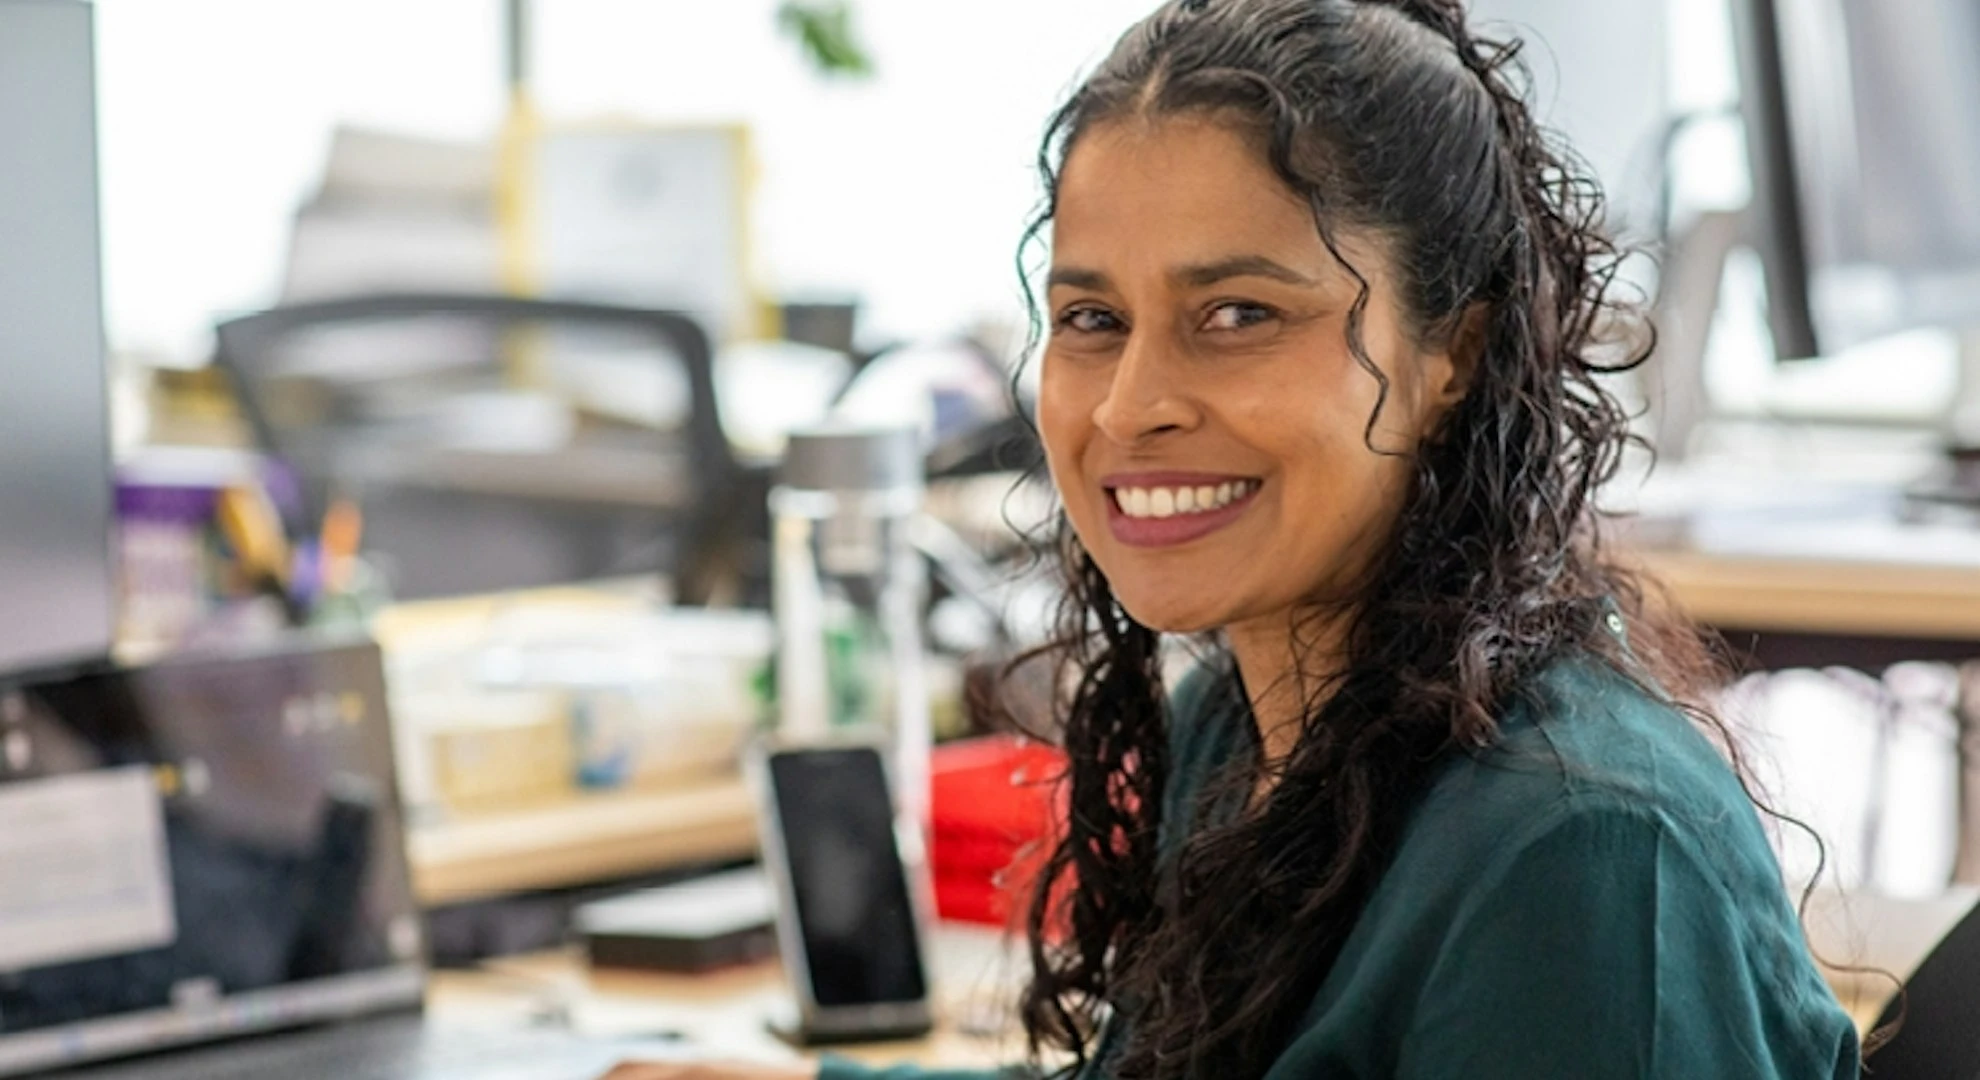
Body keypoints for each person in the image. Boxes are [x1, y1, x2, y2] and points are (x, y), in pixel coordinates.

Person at [610, 0, 1861, 1076]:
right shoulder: (1253, 725)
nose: (1129, 401)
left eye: (1239, 312)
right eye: (1093, 317)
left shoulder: (1582, 859)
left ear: (1455, 356)